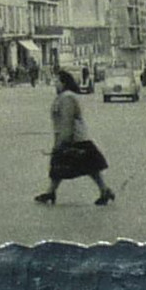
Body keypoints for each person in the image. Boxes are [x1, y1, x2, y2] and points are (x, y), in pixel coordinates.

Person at [35, 69, 115, 206]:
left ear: (64, 83)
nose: (55, 84)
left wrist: (63, 141)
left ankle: (104, 190)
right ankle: (51, 192)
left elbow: (67, 120)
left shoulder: (67, 98)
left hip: (75, 139)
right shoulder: (64, 97)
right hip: (73, 138)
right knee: (64, 167)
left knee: (85, 168)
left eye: (57, 81)